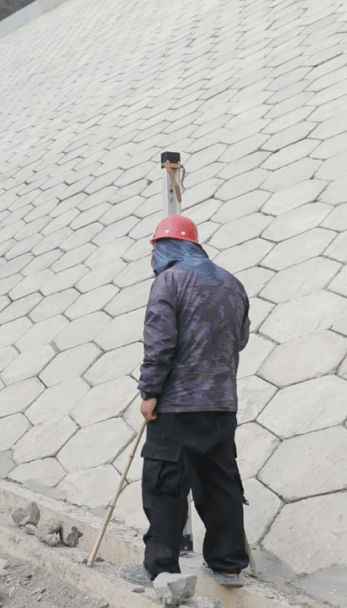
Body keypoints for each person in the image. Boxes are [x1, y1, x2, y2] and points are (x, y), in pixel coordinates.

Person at [120, 215, 251, 589]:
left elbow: (159, 344)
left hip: (177, 407)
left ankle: (162, 569)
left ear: (168, 248)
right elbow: (239, 340)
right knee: (220, 482)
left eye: (158, 248)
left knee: (165, 485)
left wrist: (150, 393)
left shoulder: (169, 281)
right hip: (222, 405)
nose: (156, 256)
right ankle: (228, 565)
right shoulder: (232, 282)